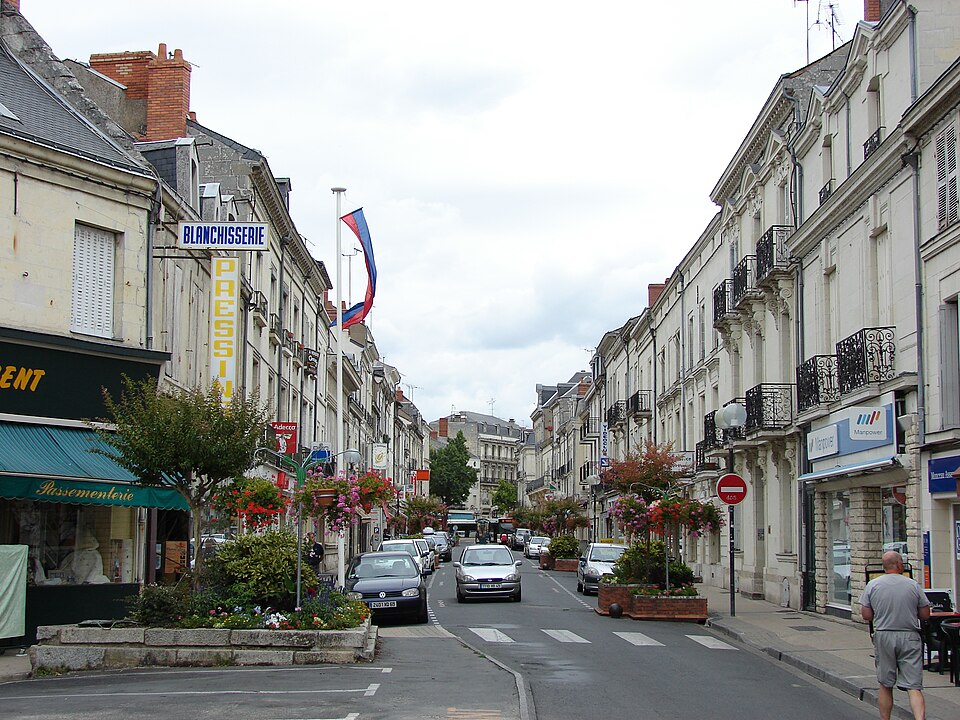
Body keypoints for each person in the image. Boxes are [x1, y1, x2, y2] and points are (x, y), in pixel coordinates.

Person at [859, 550, 930, 720]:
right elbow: (925, 614)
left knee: (885, 684)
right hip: (909, 636)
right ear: (899, 565)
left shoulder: (873, 585)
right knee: (914, 686)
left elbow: (866, 615)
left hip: (884, 636)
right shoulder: (913, 585)